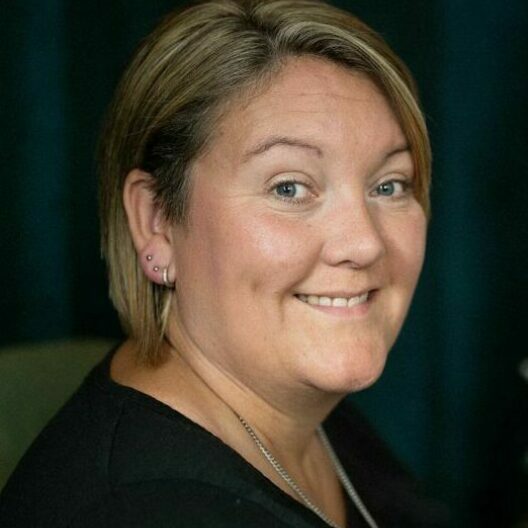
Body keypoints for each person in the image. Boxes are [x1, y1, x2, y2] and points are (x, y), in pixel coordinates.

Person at [0, 1, 447, 526]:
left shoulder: (303, 413)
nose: (365, 243)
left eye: (388, 185)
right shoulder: (145, 510)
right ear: (157, 221)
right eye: (289, 187)